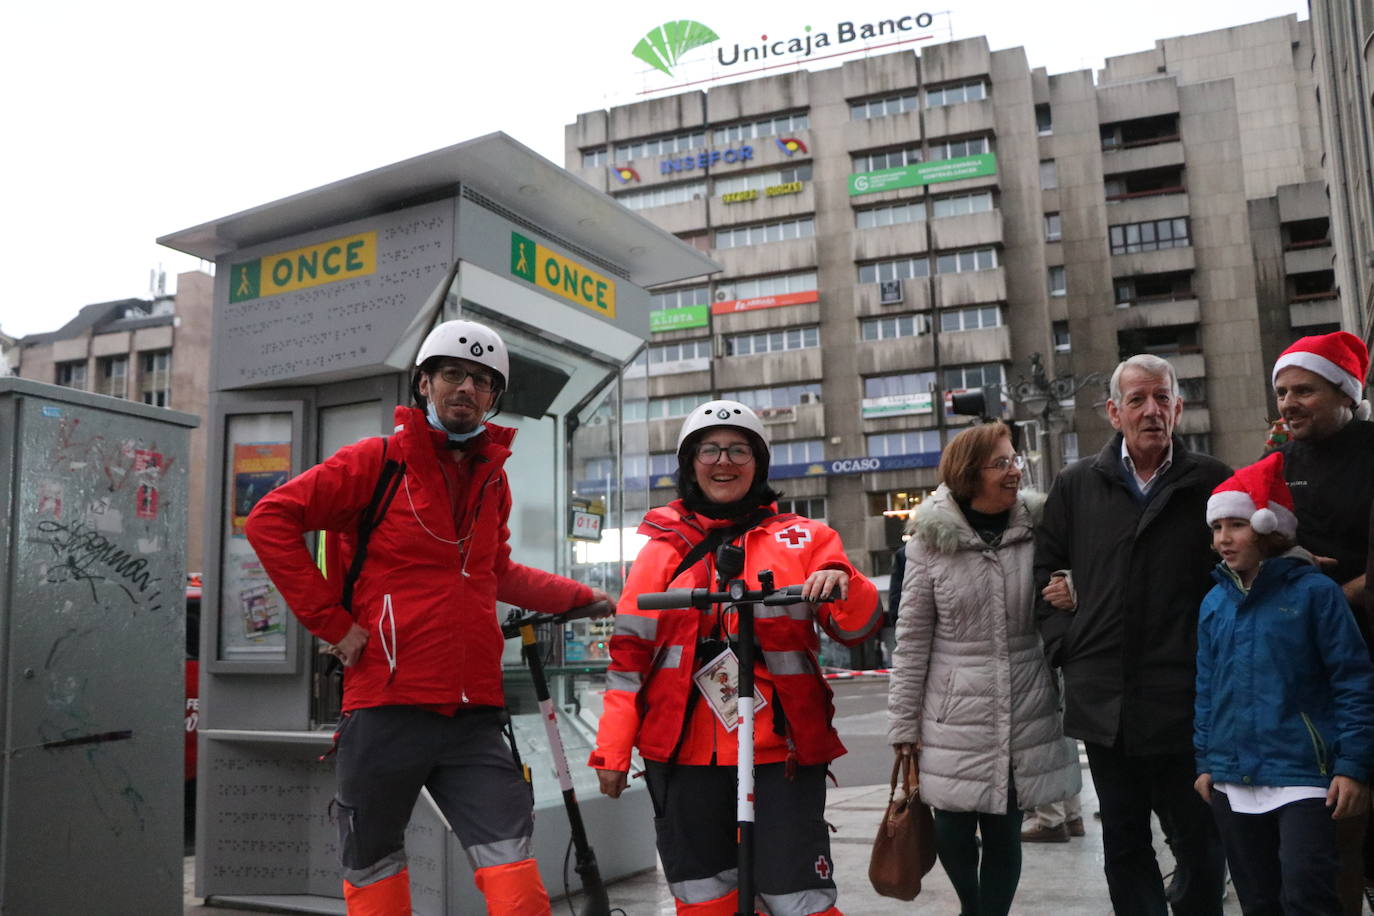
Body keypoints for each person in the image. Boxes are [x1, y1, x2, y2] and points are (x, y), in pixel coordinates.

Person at [244, 319, 608, 916]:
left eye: (484, 381)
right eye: (454, 374)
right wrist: (333, 626)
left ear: (494, 398)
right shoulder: (376, 462)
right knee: (376, 871)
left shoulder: (493, 479)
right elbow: (269, 520)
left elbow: (498, 572)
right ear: (424, 384)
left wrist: (579, 596)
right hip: (386, 703)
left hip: (473, 715)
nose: (468, 387)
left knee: (516, 887)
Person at [589, 399, 882, 916]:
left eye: (739, 450)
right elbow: (629, 655)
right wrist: (612, 751)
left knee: (799, 897)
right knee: (702, 895)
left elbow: (856, 625)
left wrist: (845, 580)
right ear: (690, 463)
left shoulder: (806, 536)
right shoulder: (661, 547)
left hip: (779, 753)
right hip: (680, 756)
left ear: (759, 463)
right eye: (709, 449)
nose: (724, 461)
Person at [1035, 353, 1230, 916]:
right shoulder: (1077, 485)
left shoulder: (1211, 481)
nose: (1152, 411)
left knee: (1197, 839)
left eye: (1162, 398)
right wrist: (1063, 641)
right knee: (1124, 843)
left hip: (1186, 697)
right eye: (1137, 401)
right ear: (1113, 413)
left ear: (1179, 407)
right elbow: (1041, 571)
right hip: (1105, 701)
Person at [888, 421, 1081, 916]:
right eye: (1001, 463)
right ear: (969, 473)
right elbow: (910, 641)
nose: (1015, 471)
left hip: (1026, 699)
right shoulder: (929, 544)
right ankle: (972, 907)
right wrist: (904, 725)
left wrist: (1071, 586)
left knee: (1005, 826)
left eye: (1015, 460)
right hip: (953, 708)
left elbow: (1083, 576)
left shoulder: (1042, 529)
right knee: (952, 827)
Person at [1195, 452, 1374, 913]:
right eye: (1217, 528)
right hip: (1233, 778)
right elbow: (1208, 688)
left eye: (1235, 525)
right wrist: (1206, 760)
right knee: (1258, 903)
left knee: (1307, 896)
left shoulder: (1316, 594)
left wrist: (1353, 765)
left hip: (1304, 778)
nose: (1223, 539)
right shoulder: (1215, 602)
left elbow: (1352, 681)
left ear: (1267, 526)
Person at [1269, 330, 1374, 912]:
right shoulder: (1277, 463)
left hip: (1366, 651)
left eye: (1303, 390)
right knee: (1334, 836)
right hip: (1312, 674)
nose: (1288, 403)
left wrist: (1337, 599)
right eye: (1283, 391)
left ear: (1344, 393)